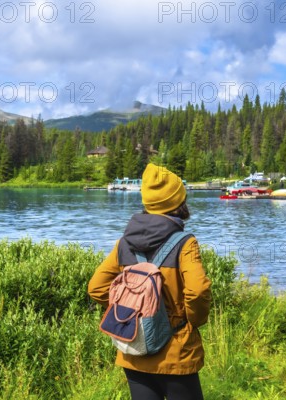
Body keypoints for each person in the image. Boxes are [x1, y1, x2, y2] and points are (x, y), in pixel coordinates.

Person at [88, 164, 212, 400]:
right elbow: (197, 291)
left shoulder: (124, 243)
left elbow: (96, 288)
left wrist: (131, 312)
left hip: (134, 348)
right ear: (179, 202)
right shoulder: (185, 243)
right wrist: (193, 322)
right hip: (176, 351)